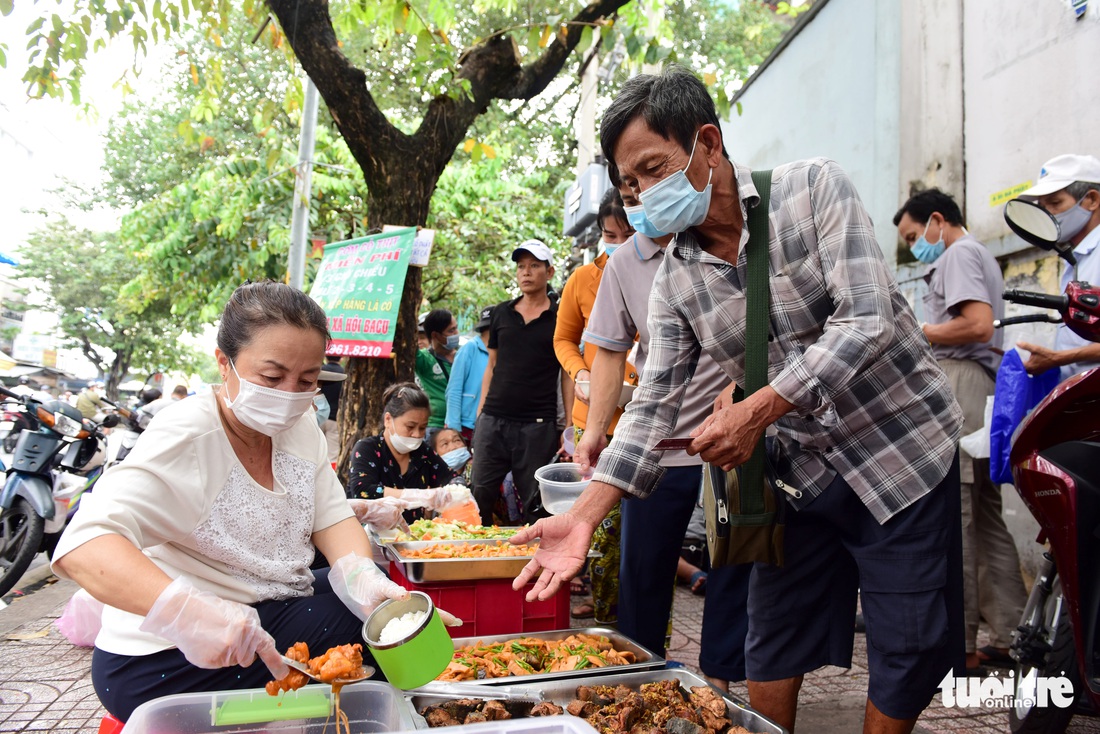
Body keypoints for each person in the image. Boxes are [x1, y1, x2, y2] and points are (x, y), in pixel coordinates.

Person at [512, 66, 965, 734]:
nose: (642, 196)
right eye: (629, 184)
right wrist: (586, 514)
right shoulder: (673, 282)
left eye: (654, 168)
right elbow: (654, 404)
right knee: (773, 637)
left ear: (709, 143)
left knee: (910, 643)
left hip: (902, 454)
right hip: (804, 475)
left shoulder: (813, 190)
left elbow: (867, 318)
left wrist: (757, 410)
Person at [49, 282, 451, 721]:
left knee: (374, 585)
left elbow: (333, 518)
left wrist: (358, 575)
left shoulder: (300, 431)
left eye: (307, 380)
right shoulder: (187, 436)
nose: (290, 394)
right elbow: (82, 547)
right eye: (273, 377)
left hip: (264, 603)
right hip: (161, 660)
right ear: (225, 363)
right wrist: (189, 613)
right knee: (351, 628)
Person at [579, 175, 749, 687]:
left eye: (644, 193)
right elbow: (609, 353)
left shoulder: (719, 239)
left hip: (732, 440)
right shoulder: (624, 264)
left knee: (732, 566)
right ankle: (643, 678)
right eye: (629, 201)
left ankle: (719, 680)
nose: (640, 207)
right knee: (644, 572)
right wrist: (594, 432)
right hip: (659, 444)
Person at [894, 188, 1025, 674]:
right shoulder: (980, 256)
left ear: (936, 220)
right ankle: (1014, 634)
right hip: (985, 389)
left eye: (913, 236)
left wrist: (917, 330)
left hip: (962, 384)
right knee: (987, 518)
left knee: (960, 516)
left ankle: (962, 644)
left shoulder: (959, 253)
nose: (914, 247)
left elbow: (977, 325)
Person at [553, 189, 639, 625]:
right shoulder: (584, 280)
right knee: (601, 532)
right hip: (595, 426)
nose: (619, 243)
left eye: (628, 233)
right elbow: (564, 339)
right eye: (610, 234)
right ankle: (608, 624)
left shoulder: (660, 270)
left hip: (644, 424)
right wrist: (581, 374)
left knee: (641, 542)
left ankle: (642, 631)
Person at [473, 240, 564, 525]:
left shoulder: (560, 316)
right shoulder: (502, 312)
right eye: (521, 267)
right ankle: (474, 560)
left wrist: (568, 425)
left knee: (536, 501)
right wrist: (481, 414)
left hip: (538, 425)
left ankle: (536, 564)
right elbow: (492, 366)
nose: (526, 272)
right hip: (494, 419)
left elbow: (567, 374)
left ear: (549, 273)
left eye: (534, 266)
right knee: (478, 493)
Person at [1014, 154, 1100, 380]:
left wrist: (1059, 357)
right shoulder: (1074, 257)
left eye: (1055, 203)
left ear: (1092, 199)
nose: (1048, 214)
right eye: (1042, 207)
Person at [346, 382, 458, 525]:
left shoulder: (423, 453)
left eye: (422, 428)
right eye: (410, 427)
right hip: (370, 535)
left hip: (413, 538)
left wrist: (457, 490)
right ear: (388, 420)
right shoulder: (368, 448)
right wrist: (420, 496)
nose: (417, 434)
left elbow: (450, 477)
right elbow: (363, 490)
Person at [444, 306, 493, 444]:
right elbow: (454, 389)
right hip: (465, 424)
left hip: (488, 424)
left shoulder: (502, 350)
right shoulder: (469, 348)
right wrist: (453, 428)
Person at [416, 309, 459, 441]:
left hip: (461, 425)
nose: (456, 334)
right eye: (451, 331)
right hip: (436, 426)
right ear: (435, 335)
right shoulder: (424, 359)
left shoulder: (462, 356)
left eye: (456, 329)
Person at [318, 358, 347, 465]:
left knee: (313, 449)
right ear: (342, 357)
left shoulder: (319, 371)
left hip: (317, 415)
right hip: (335, 419)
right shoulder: (345, 373)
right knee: (332, 455)